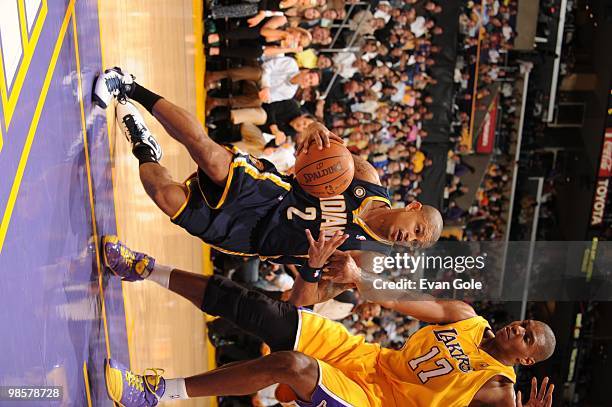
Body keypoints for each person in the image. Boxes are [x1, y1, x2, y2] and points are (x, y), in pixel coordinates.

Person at [101, 235, 556, 407]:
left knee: (293, 366)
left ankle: (158, 392)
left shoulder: (500, 390)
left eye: (528, 336)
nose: (519, 327)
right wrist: (360, 278)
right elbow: (402, 300)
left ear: (527, 360)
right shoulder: (466, 318)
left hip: (374, 403)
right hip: (369, 360)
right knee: (261, 309)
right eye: (525, 322)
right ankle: (144, 269)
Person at [93, 67, 444, 276]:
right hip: (273, 193)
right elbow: (323, 152)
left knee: (166, 197)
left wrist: (315, 267)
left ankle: (144, 148)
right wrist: (313, 129)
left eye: (416, 242)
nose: (409, 239)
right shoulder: (367, 179)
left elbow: (311, 293)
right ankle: (128, 85)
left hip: (254, 238)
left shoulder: (365, 259)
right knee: (208, 154)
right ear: (412, 207)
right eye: (416, 230)